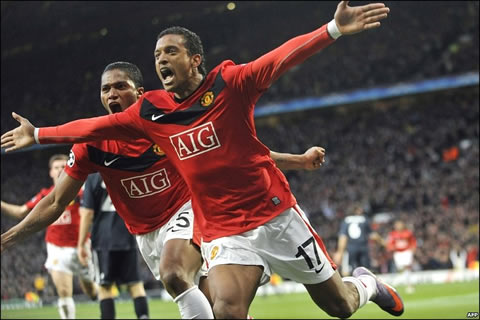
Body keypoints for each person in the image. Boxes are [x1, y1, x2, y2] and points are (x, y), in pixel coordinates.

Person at [1, 2, 403, 318]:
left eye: (171, 51)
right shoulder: (149, 113)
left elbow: (279, 58)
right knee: (225, 309)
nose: (161, 60)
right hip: (222, 228)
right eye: (157, 54)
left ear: (195, 59)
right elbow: (89, 129)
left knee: (340, 306)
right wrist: (38, 135)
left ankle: (367, 284)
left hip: (273, 215)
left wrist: (332, 30)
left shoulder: (230, 85)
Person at [1, 60, 326, 318]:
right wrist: (8, 238)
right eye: (105, 90)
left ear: (140, 93)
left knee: (173, 273)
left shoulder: (166, 121)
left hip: (189, 211)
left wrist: (297, 161)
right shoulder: (92, 144)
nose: (112, 95)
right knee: (215, 306)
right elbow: (57, 201)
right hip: (145, 233)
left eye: (120, 87)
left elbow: (241, 152)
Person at [1, 154, 97, 319]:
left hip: (81, 247)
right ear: (50, 173)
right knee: (64, 292)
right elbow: (20, 212)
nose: (60, 170)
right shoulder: (45, 195)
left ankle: (95, 293)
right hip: (56, 247)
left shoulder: (82, 193)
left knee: (90, 289)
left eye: (63, 166)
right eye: (56, 167)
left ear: (69, 168)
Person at [78, 172, 149, 319]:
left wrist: (81, 243)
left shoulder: (93, 177)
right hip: (128, 235)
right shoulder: (123, 170)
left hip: (103, 239)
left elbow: (88, 213)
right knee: (135, 285)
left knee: (104, 287)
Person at [333, 203, 382, 276]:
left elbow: (343, 237)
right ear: (356, 210)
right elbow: (373, 235)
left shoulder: (346, 220)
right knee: (365, 270)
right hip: (363, 247)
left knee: (352, 270)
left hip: (351, 248)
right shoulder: (364, 219)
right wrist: (382, 242)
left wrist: (340, 252)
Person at [385, 219, 417, 293]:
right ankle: (402, 282)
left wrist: (413, 249)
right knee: (400, 269)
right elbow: (390, 243)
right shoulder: (392, 234)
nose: (398, 226)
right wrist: (390, 247)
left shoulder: (408, 233)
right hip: (398, 253)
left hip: (406, 251)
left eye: (400, 224)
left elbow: (413, 241)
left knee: (406, 267)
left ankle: (409, 285)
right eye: (397, 225)